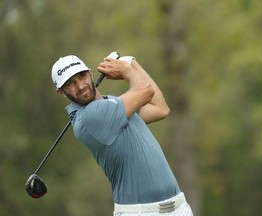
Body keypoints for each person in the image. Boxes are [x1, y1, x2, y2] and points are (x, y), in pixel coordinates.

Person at [51, 52, 193, 216]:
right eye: (70, 84)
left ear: (90, 73)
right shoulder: (90, 117)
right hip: (141, 212)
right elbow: (146, 91)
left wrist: (131, 62)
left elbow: (160, 108)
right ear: (61, 92)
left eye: (81, 76)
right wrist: (127, 70)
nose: (80, 86)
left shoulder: (112, 105)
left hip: (179, 207)